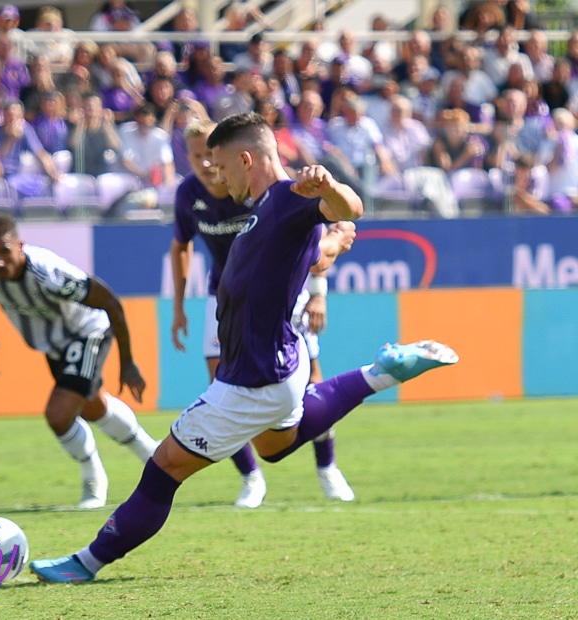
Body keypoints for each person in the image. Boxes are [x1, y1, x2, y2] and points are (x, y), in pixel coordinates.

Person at [30, 112, 458, 583]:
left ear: (247, 158)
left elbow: (351, 207)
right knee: (275, 448)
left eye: (221, 164)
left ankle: (86, 563)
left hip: (251, 380)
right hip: (282, 363)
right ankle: (382, 372)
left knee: (164, 467)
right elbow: (311, 253)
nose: (216, 174)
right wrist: (333, 241)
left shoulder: (291, 195)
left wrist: (328, 185)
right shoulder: (264, 209)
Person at [169, 120, 353, 508]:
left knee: (312, 379)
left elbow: (312, 248)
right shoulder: (190, 195)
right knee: (221, 382)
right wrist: (180, 307)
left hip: (280, 299)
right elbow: (180, 247)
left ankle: (327, 466)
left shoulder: (274, 193)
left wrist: (319, 293)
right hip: (225, 300)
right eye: (197, 156)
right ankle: (251, 478)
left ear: (241, 157)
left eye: (212, 156)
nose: (206, 165)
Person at [0, 214, 160, 510]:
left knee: (59, 415)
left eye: (4, 252)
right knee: (93, 406)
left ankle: (93, 479)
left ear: (20, 246)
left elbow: (110, 302)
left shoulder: (49, 273)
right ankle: (153, 455)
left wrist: (128, 362)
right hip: (53, 344)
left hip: (87, 333)